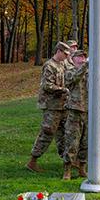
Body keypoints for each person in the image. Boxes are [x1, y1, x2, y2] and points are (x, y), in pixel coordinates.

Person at [26, 42, 71, 173]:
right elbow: (47, 85)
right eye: (65, 54)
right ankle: (32, 161)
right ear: (58, 51)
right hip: (52, 106)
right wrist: (64, 90)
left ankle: (67, 160)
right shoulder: (49, 66)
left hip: (63, 105)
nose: (66, 57)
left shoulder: (64, 64)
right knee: (47, 133)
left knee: (64, 134)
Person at [62, 50, 88, 180]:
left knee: (86, 142)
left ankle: (82, 168)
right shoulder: (70, 71)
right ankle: (67, 169)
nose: (82, 59)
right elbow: (73, 79)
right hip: (74, 110)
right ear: (72, 59)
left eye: (84, 57)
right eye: (79, 56)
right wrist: (85, 66)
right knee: (72, 141)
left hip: (88, 111)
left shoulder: (89, 71)